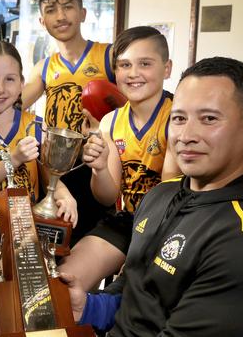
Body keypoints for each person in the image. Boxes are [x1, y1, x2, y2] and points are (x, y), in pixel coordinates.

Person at [63, 57, 243, 336]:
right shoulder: (160, 196)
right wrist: (89, 309)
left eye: (209, 119)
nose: (187, 135)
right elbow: (138, 290)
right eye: (179, 118)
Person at [0, 0, 115, 245]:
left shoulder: (107, 56)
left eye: (68, 6)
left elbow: (130, 98)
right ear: (42, 21)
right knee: (57, 254)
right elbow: (8, 102)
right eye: (51, 10)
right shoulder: (44, 67)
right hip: (54, 168)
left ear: (83, 12)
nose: (60, 16)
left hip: (92, 164)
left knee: (83, 246)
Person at [0, 40, 78, 329]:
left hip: (27, 226)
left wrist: (66, 195)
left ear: (22, 84)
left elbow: (51, 176)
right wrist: (14, 157)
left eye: (9, 80)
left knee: (41, 294)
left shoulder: (35, 126)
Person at [58, 26, 180, 291]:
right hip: (126, 221)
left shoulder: (177, 118)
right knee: (65, 283)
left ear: (167, 68)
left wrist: (141, 251)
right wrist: (100, 169)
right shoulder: (111, 122)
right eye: (124, 65)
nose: (133, 73)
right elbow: (106, 196)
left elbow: (169, 193)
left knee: (133, 290)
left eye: (145, 64)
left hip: (169, 224)